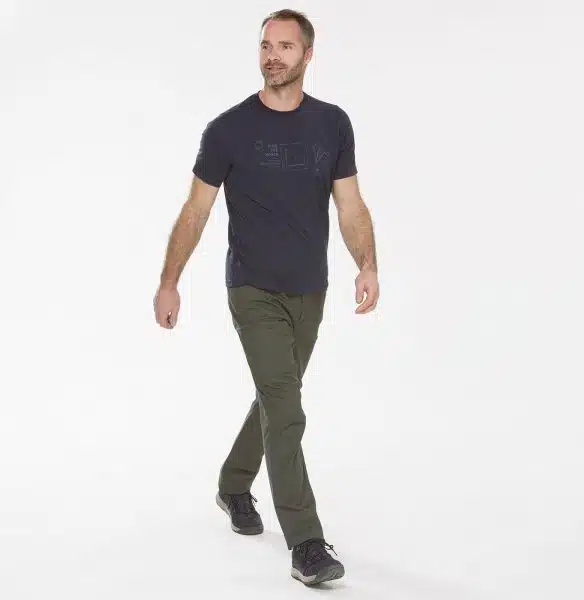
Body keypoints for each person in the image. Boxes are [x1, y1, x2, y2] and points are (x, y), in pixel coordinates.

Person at [153, 8, 379, 586]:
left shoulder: (333, 124)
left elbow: (350, 203)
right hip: (251, 287)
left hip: (311, 288)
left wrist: (367, 264)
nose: (272, 55)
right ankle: (307, 543)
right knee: (287, 407)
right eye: (265, 45)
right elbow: (196, 210)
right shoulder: (228, 130)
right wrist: (170, 280)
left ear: (308, 55)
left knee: (277, 397)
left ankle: (233, 484)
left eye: (285, 46)